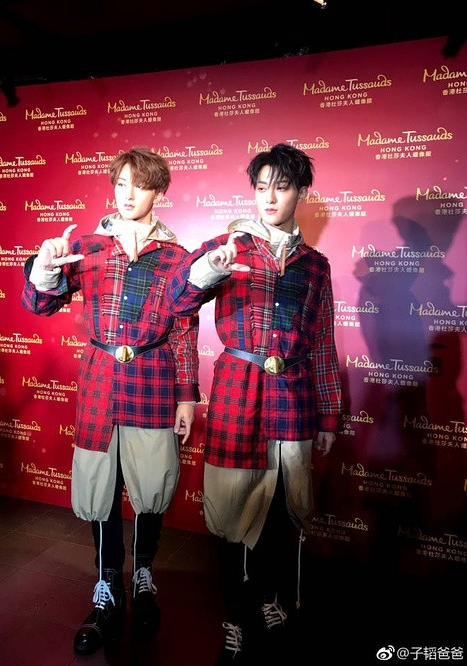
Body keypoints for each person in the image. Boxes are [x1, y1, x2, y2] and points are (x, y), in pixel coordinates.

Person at [21, 147, 200, 656]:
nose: (127, 194)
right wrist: (45, 269)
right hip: (100, 380)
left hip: (153, 380)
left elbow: (184, 331)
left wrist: (187, 397)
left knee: (150, 489)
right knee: (100, 490)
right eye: (121, 183)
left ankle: (143, 576)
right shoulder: (86, 245)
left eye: (139, 185)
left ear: (158, 192)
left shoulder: (177, 257)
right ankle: (106, 586)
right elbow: (38, 305)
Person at [168, 143, 342, 664]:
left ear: (300, 192)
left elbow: (323, 343)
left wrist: (329, 413)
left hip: (294, 398)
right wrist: (209, 269)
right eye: (262, 186)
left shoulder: (315, 266)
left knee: (279, 515)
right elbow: (176, 302)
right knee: (230, 513)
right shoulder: (229, 247)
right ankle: (235, 616)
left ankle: (268, 599)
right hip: (237, 392)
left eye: (281, 187)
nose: (269, 197)